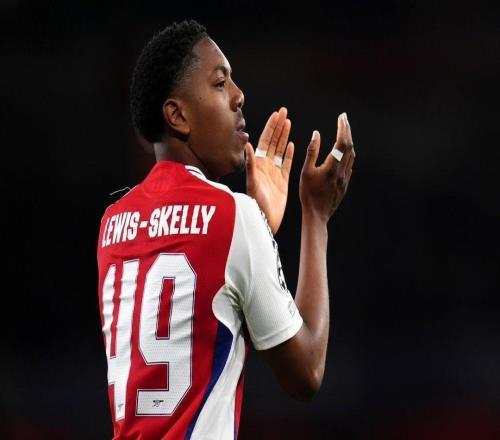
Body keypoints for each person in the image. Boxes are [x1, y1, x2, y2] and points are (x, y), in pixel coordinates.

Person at [97, 19, 355, 440]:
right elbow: (305, 372)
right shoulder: (233, 216)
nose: (239, 96)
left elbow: (204, 315)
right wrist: (316, 216)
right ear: (177, 115)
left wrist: (259, 229)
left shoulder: (113, 224)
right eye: (220, 83)